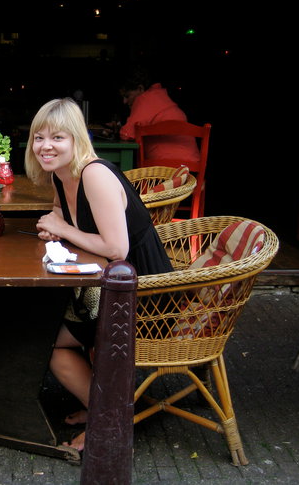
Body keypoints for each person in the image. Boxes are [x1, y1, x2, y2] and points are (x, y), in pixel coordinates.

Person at [24, 98, 173, 452]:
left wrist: (64, 229)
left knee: (47, 341)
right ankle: (103, 406)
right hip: (109, 288)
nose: (45, 146)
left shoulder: (94, 173)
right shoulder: (62, 174)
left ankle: (109, 419)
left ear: (76, 139)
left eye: (57, 137)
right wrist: (54, 227)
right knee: (41, 322)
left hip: (147, 299)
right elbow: (60, 212)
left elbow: (117, 249)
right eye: (39, 137)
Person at [116, 67, 200, 163]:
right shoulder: (161, 95)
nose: (124, 101)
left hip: (163, 168)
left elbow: (126, 134)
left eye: (127, 96)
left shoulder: (144, 99)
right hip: (191, 166)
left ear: (140, 88)